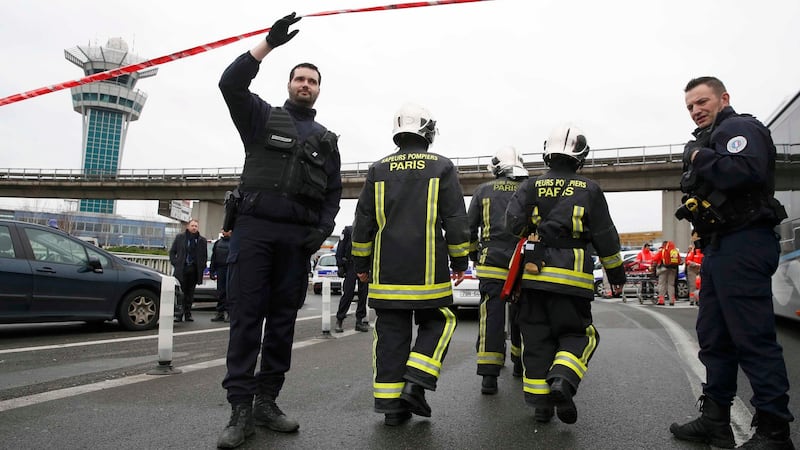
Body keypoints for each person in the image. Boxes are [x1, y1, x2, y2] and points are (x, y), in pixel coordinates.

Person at [216, 13, 342, 449]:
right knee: (247, 320)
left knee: (283, 323)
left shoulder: (326, 140)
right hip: (253, 232)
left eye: (312, 81)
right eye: (299, 79)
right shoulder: (259, 117)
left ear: (319, 89)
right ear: (289, 84)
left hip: (296, 241)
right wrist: (267, 44)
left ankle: (267, 403)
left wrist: (320, 232)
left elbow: (333, 195)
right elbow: (229, 84)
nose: (305, 85)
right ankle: (239, 411)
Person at [670, 76, 793, 449]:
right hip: (720, 247)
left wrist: (697, 156)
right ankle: (715, 421)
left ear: (723, 98)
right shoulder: (711, 137)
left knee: (752, 339)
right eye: (690, 106)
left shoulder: (740, 128)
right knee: (714, 338)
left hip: (745, 241)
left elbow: (745, 171)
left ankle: (774, 432)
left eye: (702, 101)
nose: (696, 110)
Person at [351, 103, 469, 427]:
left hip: (387, 272)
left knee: (390, 334)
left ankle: (392, 408)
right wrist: (460, 259)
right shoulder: (442, 167)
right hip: (428, 270)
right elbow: (455, 219)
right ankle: (417, 381)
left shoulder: (377, 169)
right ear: (429, 131)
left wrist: (361, 261)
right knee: (440, 321)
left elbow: (363, 221)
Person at [505, 124, 626, 425]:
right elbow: (605, 236)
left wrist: (534, 231)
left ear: (547, 154)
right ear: (580, 157)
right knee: (578, 334)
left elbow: (512, 225)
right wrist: (616, 273)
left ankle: (541, 406)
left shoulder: (529, 186)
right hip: (573, 279)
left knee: (536, 339)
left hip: (534, 276)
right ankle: (562, 378)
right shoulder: (591, 189)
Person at [466, 145, 528, 395]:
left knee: (491, 316)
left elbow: (469, 229)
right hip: (521, 264)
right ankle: (519, 364)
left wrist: (473, 255)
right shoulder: (528, 189)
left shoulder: (483, 191)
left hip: (491, 263)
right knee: (522, 314)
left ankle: (489, 378)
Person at [169, 218, 207, 322]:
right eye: (192, 226)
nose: (194, 228)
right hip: (182, 269)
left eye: (196, 226)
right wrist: (176, 263)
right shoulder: (180, 237)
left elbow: (204, 256)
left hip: (194, 270)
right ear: (188, 226)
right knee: (181, 293)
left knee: (190, 293)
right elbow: (172, 252)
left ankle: (188, 313)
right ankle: (178, 314)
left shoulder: (202, 240)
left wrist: (201, 267)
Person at [334, 225, 369, 333]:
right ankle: (340, 319)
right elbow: (340, 248)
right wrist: (340, 265)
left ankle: (359, 321)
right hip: (351, 265)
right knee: (348, 293)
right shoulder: (349, 230)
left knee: (363, 295)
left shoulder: (368, 231)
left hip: (364, 265)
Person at [209, 229, 232, 322]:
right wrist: (212, 271)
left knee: (230, 292)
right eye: (223, 230)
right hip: (220, 269)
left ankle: (230, 313)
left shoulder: (235, 242)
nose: (224, 231)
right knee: (221, 292)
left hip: (231, 269)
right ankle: (220, 313)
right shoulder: (218, 243)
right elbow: (214, 258)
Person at [651, 240, 681, 306]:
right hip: (673, 269)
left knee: (662, 284)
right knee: (671, 285)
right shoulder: (675, 251)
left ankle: (661, 300)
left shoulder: (662, 251)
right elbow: (679, 261)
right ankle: (672, 300)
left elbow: (655, 259)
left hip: (663, 269)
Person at [684, 233, 703, 307]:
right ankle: (692, 300)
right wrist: (695, 264)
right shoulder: (692, 252)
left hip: (699, 269)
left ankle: (698, 299)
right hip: (692, 269)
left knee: (700, 285)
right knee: (693, 285)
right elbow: (688, 261)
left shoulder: (702, 252)